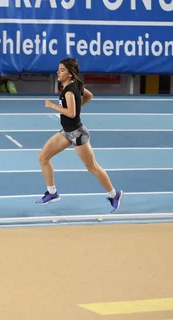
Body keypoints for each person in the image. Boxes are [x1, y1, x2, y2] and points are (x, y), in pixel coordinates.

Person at [36, 58, 123, 213]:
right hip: (66, 133)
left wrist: (53, 106)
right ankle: (52, 192)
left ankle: (114, 194)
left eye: (62, 70)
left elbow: (71, 113)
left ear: (70, 74)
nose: (58, 72)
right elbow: (89, 96)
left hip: (77, 134)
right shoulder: (74, 85)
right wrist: (76, 104)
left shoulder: (69, 90)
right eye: (59, 69)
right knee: (43, 157)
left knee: (92, 166)